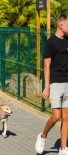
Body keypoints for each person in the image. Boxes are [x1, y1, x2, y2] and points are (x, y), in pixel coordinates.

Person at [35, 14, 68, 155]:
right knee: (56, 116)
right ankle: (43, 136)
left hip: (67, 83)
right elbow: (47, 66)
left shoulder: (67, 41)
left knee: (66, 117)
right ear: (61, 25)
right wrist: (47, 86)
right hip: (55, 83)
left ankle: (63, 148)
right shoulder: (50, 43)